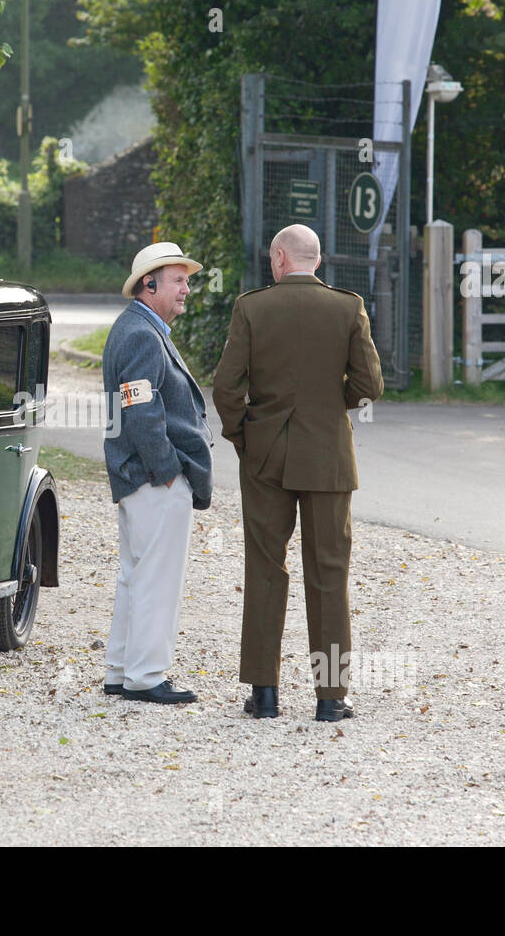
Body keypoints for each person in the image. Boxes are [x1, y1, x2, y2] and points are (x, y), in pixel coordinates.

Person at [212, 224, 383, 721]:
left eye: (273, 258)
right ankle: (330, 698)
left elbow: (226, 388)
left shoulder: (252, 307)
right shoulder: (348, 307)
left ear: (281, 258)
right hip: (328, 454)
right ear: (318, 261)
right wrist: (334, 404)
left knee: (265, 569)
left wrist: (246, 437)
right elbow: (370, 384)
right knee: (329, 572)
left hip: (265, 456)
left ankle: (264, 694)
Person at [101, 242, 214, 704]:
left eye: (186, 279)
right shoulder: (142, 334)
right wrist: (168, 470)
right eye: (178, 280)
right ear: (150, 285)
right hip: (153, 477)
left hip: (142, 475)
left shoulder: (142, 328)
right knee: (155, 578)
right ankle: (146, 676)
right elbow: (140, 408)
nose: (187, 288)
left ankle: (122, 670)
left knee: (136, 573)